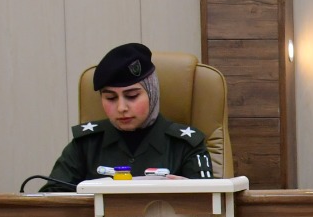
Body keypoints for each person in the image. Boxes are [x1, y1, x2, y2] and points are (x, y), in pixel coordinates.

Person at [41, 43, 213, 191]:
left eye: (132, 96)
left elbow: (211, 204)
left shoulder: (186, 145)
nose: (121, 108)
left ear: (152, 93)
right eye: (110, 98)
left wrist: (189, 192)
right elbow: (51, 201)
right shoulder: (86, 145)